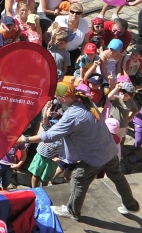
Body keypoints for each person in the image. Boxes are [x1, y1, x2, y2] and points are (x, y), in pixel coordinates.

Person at [21, 82, 139, 219]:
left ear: (63, 98)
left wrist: (25, 139)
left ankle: (72, 211)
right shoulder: (85, 101)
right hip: (109, 149)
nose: (55, 100)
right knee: (118, 177)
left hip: (94, 156)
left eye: (56, 97)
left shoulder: (73, 114)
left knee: (78, 178)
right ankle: (131, 205)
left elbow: (50, 135)